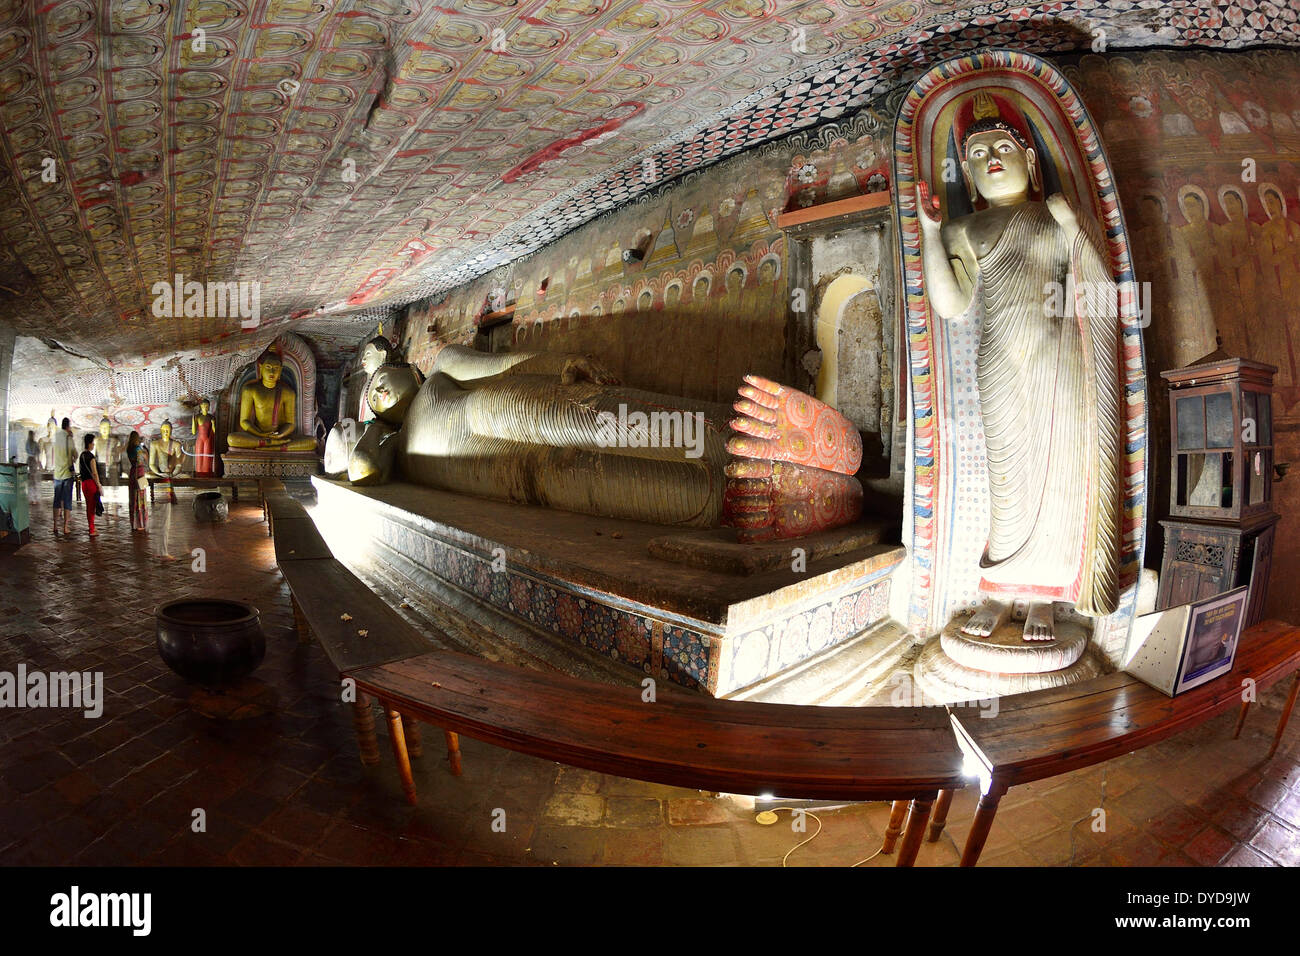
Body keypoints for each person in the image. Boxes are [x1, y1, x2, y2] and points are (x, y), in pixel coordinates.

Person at [49, 417, 77, 537]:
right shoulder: (68, 438)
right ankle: (65, 527)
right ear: (68, 426)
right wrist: (71, 437)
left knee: (56, 500)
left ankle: (55, 525)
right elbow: (75, 454)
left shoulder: (56, 436)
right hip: (66, 474)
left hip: (57, 474)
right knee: (67, 501)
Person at [78, 434, 101, 537]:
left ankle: (91, 527)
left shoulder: (82, 455)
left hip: (84, 484)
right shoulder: (91, 457)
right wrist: (99, 485)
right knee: (92, 507)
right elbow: (94, 473)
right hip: (91, 484)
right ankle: (91, 530)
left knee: (89, 506)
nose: (93, 445)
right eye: (93, 443)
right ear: (89, 443)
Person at [127, 431, 148, 532]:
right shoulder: (138, 449)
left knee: (132, 498)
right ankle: (140, 523)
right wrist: (144, 451)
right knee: (140, 499)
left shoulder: (129, 449)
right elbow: (142, 460)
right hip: (139, 473)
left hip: (132, 473)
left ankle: (133, 523)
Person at [24, 429, 40, 504]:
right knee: (34, 480)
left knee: (30, 480)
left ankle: (31, 498)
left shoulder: (27, 443)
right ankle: (35, 498)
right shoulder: (35, 443)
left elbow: (26, 451)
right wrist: (38, 461)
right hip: (33, 460)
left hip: (28, 460)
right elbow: (38, 453)